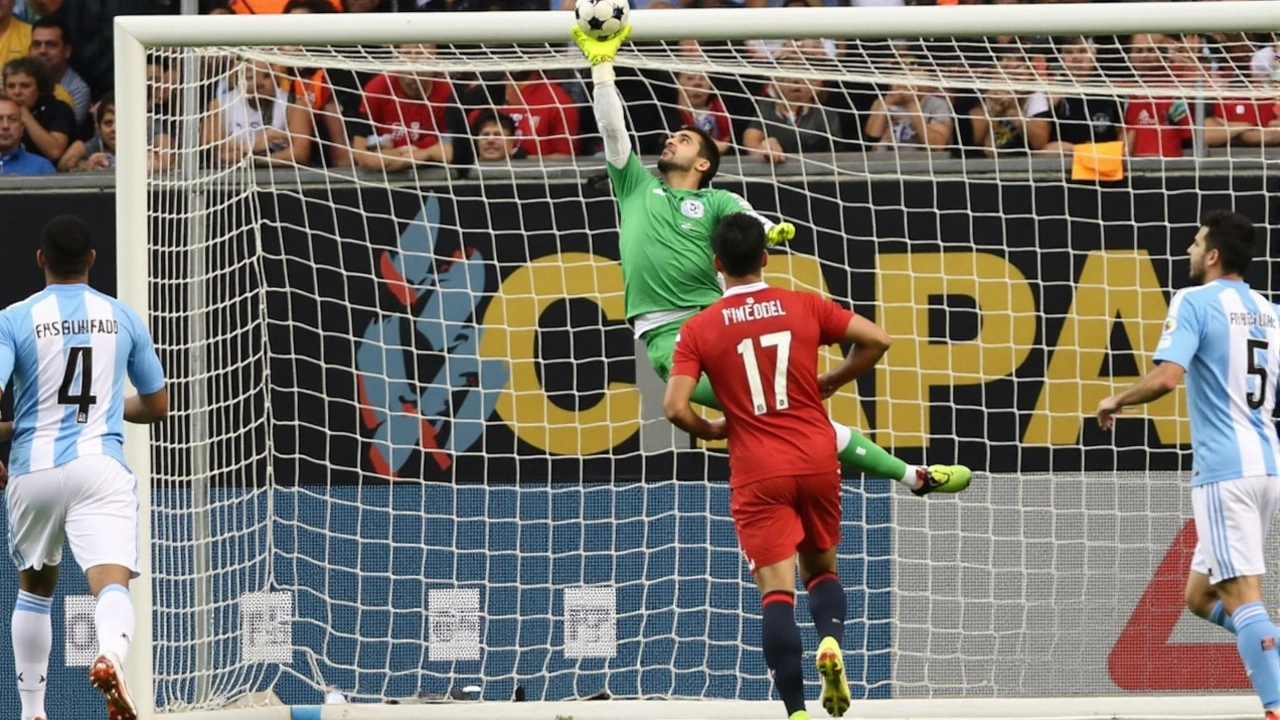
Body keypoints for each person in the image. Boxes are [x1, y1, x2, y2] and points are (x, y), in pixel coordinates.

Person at [570, 24, 971, 496]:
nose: (671, 141)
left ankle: (911, 477)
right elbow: (613, 132)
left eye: (683, 139)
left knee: (795, 413)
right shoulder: (636, 186)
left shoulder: (717, 199)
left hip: (720, 325)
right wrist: (602, 68)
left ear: (703, 164)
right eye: (673, 136)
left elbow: (747, 217)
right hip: (671, 338)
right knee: (797, 414)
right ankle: (913, 476)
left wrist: (768, 229)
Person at [663, 213, 894, 720]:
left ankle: (796, 711)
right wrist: (833, 379)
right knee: (821, 570)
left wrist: (712, 430)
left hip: (757, 467)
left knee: (776, 594)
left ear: (717, 264)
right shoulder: (803, 303)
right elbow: (878, 339)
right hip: (814, 456)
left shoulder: (698, 328)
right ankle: (830, 642)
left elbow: (675, 408)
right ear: (766, 257)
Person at [1096, 209, 1280, 720]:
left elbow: (1166, 378)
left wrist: (1117, 399)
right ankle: (1272, 651)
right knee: (1200, 596)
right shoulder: (1270, 311)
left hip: (1225, 472)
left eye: (1197, 243)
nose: (1189, 252)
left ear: (1215, 255)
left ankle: (1276, 706)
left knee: (1244, 598)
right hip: (1265, 465)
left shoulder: (1194, 300)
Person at [0, 215, 169, 720]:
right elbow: (158, 406)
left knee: (35, 589)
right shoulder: (122, 317)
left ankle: (33, 711)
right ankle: (110, 657)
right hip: (100, 466)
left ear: (40, 261)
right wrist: (111, 411)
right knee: (111, 583)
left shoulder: (14, 318)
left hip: (33, 471)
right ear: (93, 260)